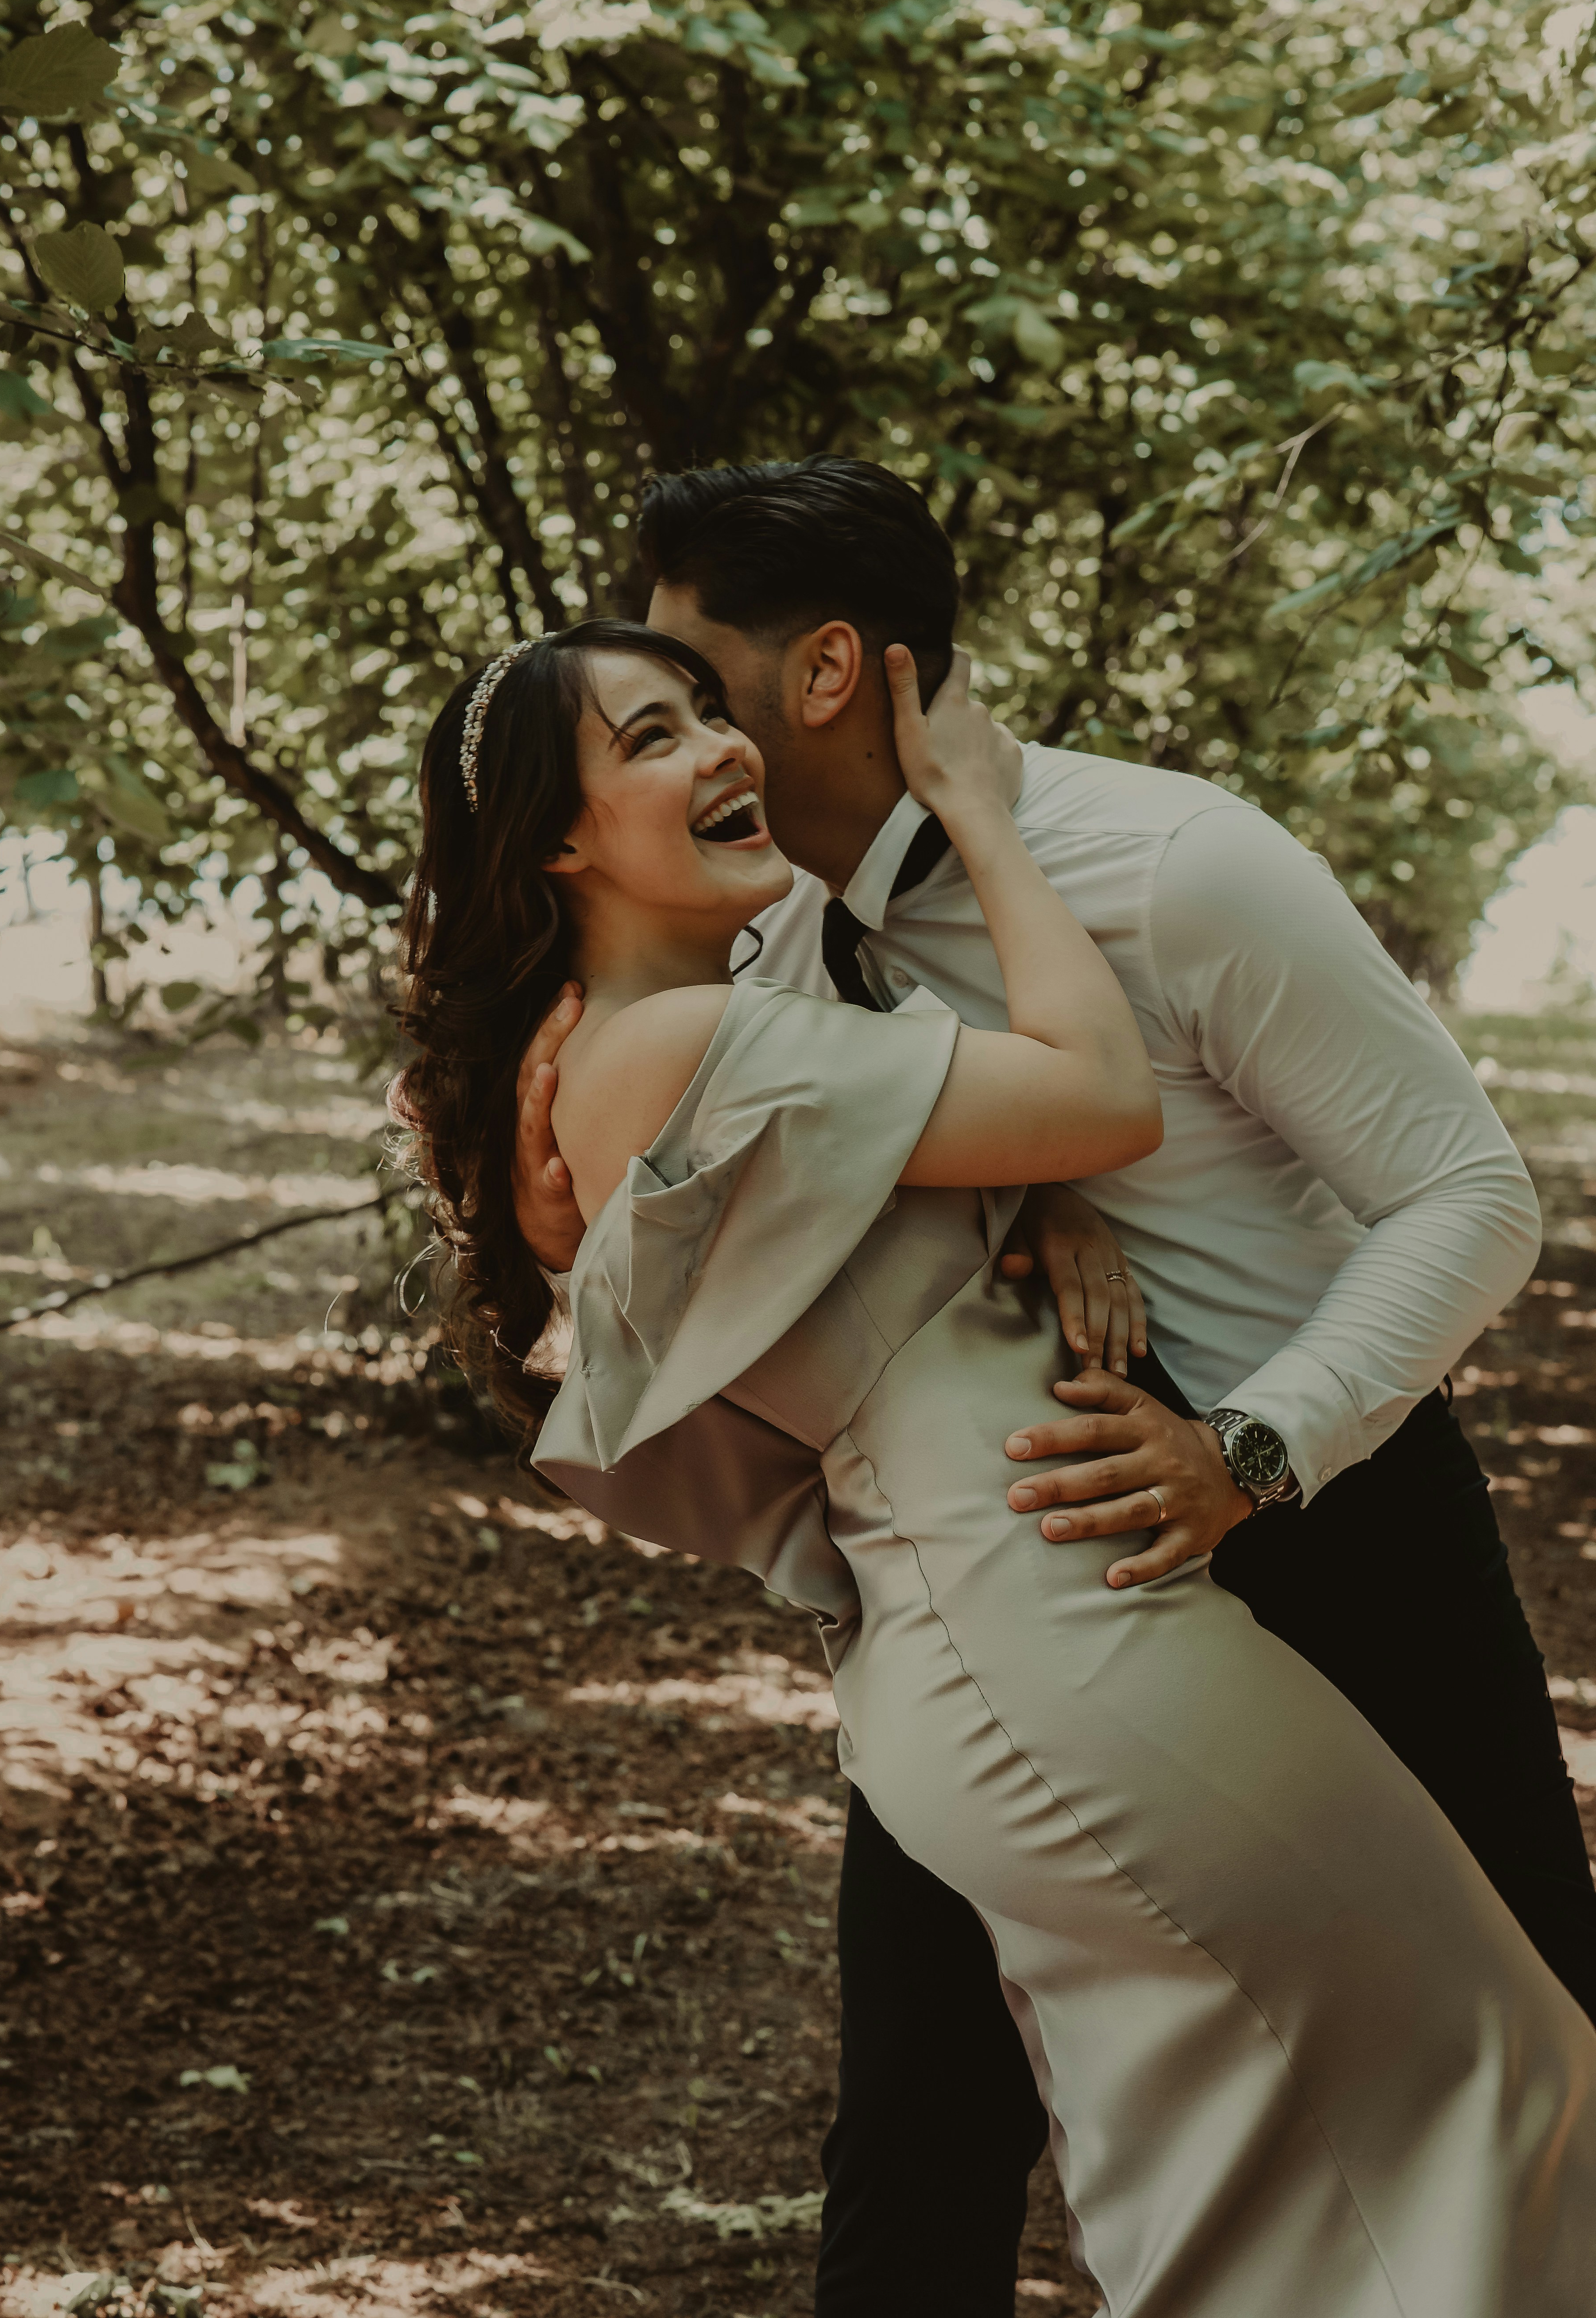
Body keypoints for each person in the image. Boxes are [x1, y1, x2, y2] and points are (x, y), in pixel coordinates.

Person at [395, 617, 1596, 2315]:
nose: (721, 750)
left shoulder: (666, 1029)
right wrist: (984, 815)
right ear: (561, 840)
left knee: (1237, 2169)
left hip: (1003, 1627)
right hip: (1068, 1637)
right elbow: (1101, 1090)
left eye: (707, 711)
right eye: (654, 737)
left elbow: (861, 1237)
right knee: (1502, 2087)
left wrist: (1038, 1200)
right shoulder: (671, 1043)